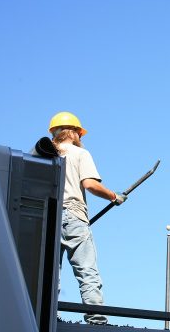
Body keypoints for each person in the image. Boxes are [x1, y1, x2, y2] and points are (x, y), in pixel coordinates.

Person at [48, 111, 127, 325]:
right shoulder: (79, 154)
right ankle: (96, 318)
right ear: (73, 132)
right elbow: (90, 185)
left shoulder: (44, 153)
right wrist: (113, 196)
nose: (81, 138)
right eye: (79, 134)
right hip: (74, 215)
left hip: (47, 215)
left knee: (49, 269)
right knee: (86, 269)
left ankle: (46, 314)